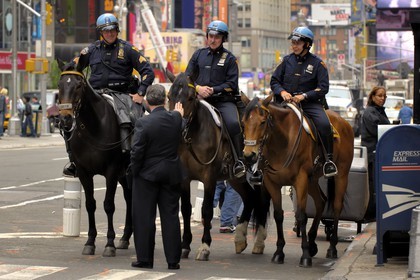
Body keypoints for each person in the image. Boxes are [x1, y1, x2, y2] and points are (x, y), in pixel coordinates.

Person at [62, 13, 155, 177]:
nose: (110, 33)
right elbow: (74, 67)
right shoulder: (90, 50)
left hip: (121, 94)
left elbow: (147, 71)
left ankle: (131, 160)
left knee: (133, 119)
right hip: (95, 93)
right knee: (68, 121)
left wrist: (141, 93)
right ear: (101, 33)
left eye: (112, 30)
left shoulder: (128, 49)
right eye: (106, 31)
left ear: (117, 30)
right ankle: (74, 160)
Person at [270, 26, 337, 178]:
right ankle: (259, 165)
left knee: (325, 125)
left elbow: (323, 88)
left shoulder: (318, 64)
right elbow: (274, 81)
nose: (294, 46)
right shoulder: (286, 61)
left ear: (307, 44)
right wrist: (283, 92)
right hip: (286, 104)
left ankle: (328, 161)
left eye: (297, 43)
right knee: (265, 122)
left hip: (309, 104)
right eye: (293, 42)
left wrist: (304, 96)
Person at [130, 84, 184, 270]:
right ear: (165, 100)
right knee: (170, 217)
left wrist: (134, 171)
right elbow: (178, 118)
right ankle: (173, 260)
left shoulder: (143, 123)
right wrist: (178, 113)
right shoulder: (176, 119)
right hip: (171, 173)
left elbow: (137, 152)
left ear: (147, 100)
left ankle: (145, 259)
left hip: (147, 175)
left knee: (144, 217)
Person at [185, 20, 245, 179]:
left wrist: (213, 90)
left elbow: (232, 84)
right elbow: (187, 77)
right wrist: (198, 88)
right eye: (210, 36)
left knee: (233, 123)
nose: (212, 39)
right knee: (181, 119)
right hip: (199, 100)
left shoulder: (231, 59)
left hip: (223, 101)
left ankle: (239, 160)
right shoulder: (198, 55)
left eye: (217, 37)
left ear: (223, 39)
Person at [361, 86, 390, 220]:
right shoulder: (369, 112)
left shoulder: (380, 111)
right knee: (372, 185)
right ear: (372, 97)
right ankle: (370, 213)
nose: (382, 98)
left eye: (384, 96)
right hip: (372, 154)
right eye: (379, 95)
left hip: (381, 154)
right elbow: (377, 130)